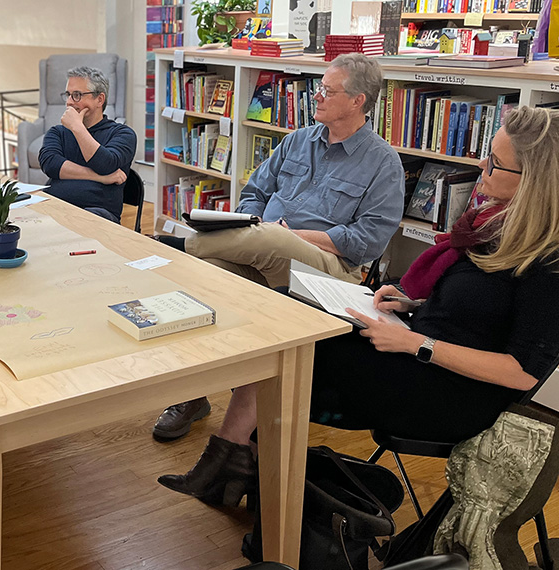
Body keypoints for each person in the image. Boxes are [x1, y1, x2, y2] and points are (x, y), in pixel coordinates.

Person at [158, 106, 559, 510]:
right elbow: (477, 309)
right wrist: (411, 303)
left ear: (534, 182)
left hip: (450, 391)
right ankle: (240, 462)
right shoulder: (495, 223)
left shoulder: (549, 262)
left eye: (495, 162)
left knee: (289, 342)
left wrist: (416, 343)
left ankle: (235, 464)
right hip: (418, 347)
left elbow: (523, 372)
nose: (481, 164)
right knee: (286, 307)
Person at [152, 53, 405, 441]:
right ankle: (192, 394)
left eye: (326, 90)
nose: (316, 97)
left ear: (358, 101)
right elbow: (253, 193)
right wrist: (254, 221)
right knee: (204, 278)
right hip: (264, 246)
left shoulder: (383, 162)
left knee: (261, 240)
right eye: (319, 88)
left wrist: (292, 236)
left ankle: (176, 245)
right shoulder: (297, 141)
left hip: (331, 268)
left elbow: (367, 242)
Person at [38, 65, 137, 222]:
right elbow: (50, 164)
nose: (69, 102)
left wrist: (78, 127)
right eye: (68, 95)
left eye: (77, 95)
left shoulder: (123, 133)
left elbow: (105, 164)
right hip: (55, 207)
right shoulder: (57, 132)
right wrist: (100, 178)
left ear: (99, 99)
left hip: (97, 215)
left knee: (76, 222)